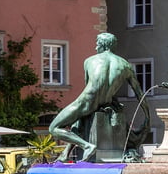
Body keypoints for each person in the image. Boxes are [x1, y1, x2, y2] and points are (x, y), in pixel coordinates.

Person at [47, 32, 148, 163]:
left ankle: (87, 146)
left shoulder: (89, 61)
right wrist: (147, 117)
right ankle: (65, 154)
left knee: (53, 128)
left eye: (97, 44)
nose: (95, 48)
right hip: (105, 101)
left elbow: (89, 86)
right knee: (80, 120)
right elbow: (139, 93)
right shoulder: (126, 65)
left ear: (103, 45)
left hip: (87, 101)